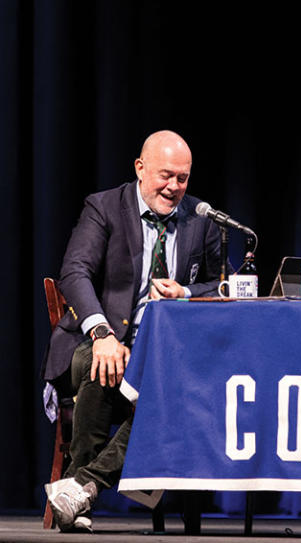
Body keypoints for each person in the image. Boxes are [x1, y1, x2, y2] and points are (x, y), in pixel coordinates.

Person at [41, 130, 226, 531]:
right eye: (165, 175)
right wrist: (103, 332)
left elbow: (222, 286)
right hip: (100, 339)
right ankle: (81, 489)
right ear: (140, 168)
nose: (174, 187)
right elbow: (75, 272)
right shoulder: (105, 207)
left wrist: (187, 291)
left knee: (176, 388)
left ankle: (79, 489)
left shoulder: (200, 221)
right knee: (102, 363)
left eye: (182, 178)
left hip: (165, 352)